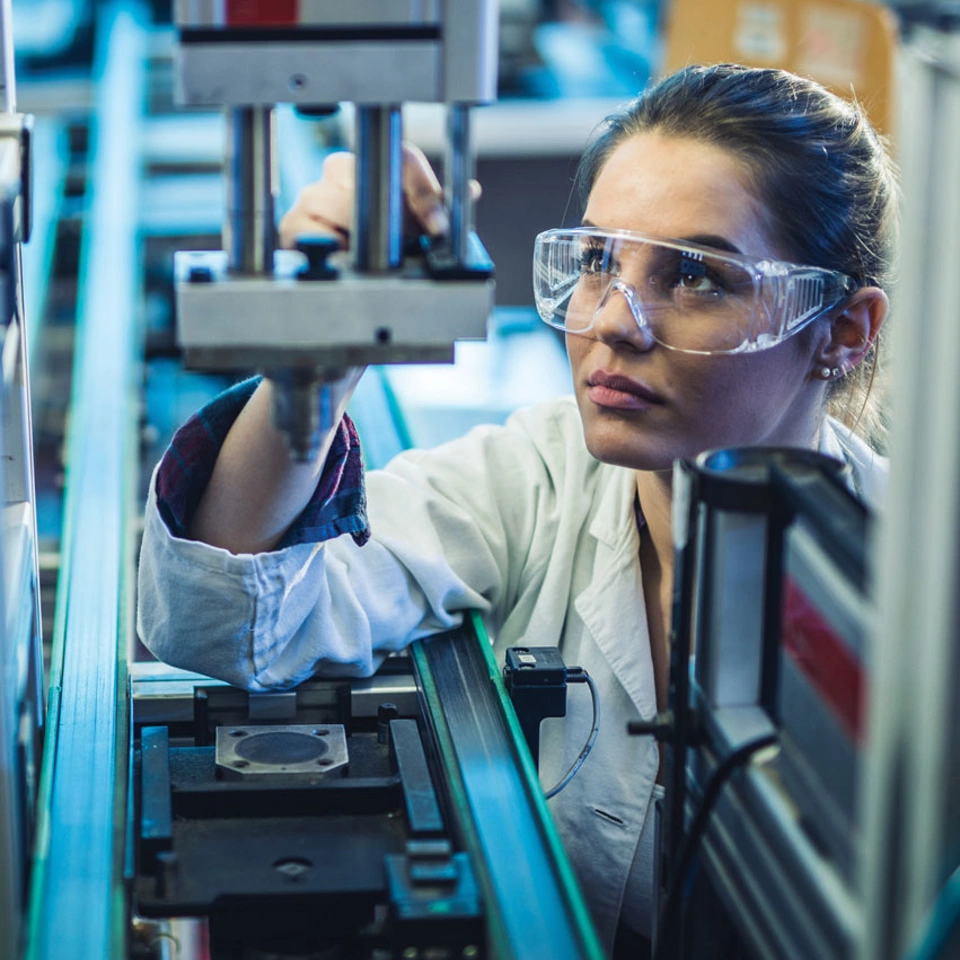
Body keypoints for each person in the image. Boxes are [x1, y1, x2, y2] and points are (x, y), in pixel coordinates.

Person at [138, 63, 897, 957]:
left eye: (695, 277)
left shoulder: (911, 596)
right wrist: (314, 369)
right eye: (596, 262)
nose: (613, 322)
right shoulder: (532, 479)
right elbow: (224, 621)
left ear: (843, 332)